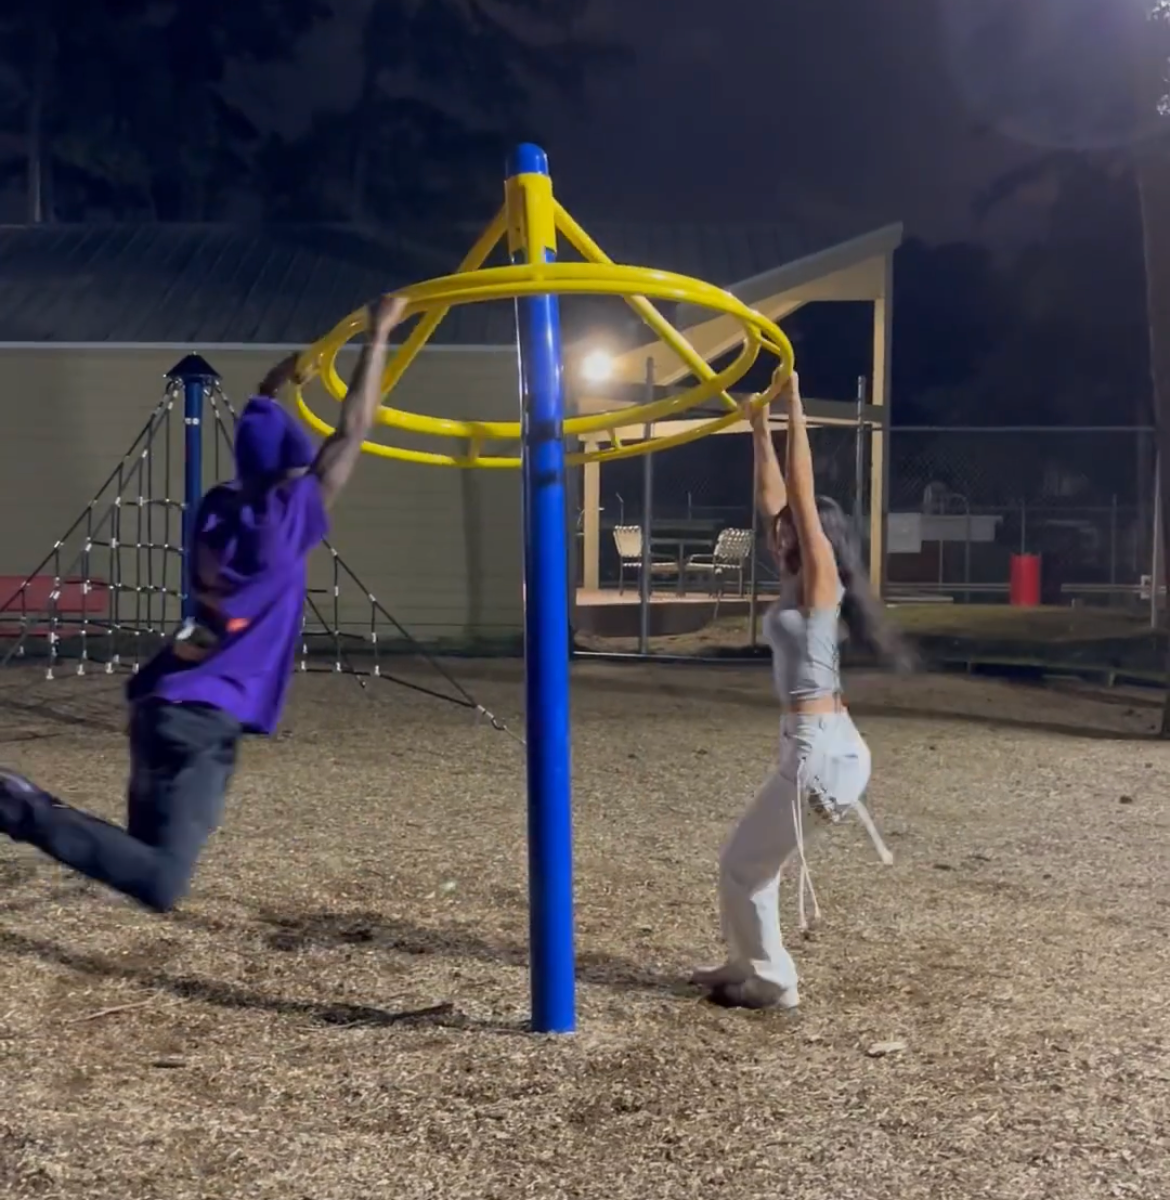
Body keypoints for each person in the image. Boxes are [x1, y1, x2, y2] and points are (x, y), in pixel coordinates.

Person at [0, 293, 411, 913]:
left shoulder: (217, 511)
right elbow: (354, 427)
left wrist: (273, 389)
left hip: (163, 705)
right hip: (195, 723)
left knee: (143, 853)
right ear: (289, 473)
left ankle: (26, 807)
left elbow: (273, 436)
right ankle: (18, 805)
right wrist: (379, 334)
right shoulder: (282, 524)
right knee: (161, 880)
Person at [692, 368, 912, 1011]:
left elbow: (801, 496)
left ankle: (773, 981)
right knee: (753, 864)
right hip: (813, 745)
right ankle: (745, 959)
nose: (782, 530)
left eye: (795, 528)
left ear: (820, 539)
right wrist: (757, 427)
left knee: (742, 864)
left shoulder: (820, 584)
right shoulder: (794, 583)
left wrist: (792, 406)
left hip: (823, 751)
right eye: (783, 528)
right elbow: (773, 498)